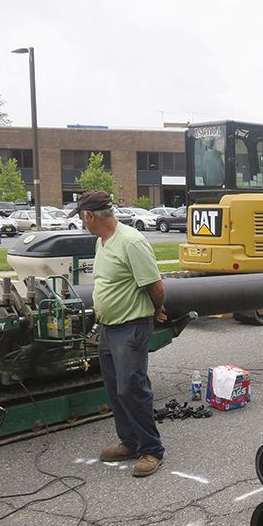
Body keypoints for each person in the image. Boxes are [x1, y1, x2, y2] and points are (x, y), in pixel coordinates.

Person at [72, 190, 167, 477]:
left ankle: (152, 449)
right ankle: (129, 442)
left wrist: (157, 310)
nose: (81, 222)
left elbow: (156, 286)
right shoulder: (103, 242)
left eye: (81, 217)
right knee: (115, 389)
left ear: (90, 216)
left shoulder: (131, 242)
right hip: (109, 327)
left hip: (131, 326)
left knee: (132, 387)